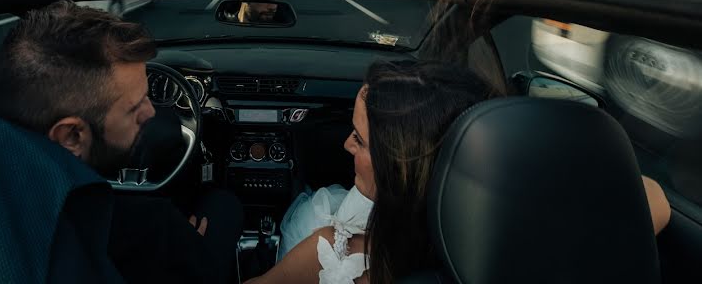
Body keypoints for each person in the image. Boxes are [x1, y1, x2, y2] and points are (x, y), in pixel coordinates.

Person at [247, 60, 672, 284]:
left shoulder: (334, 254)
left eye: (359, 139)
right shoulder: (529, 252)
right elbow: (653, 198)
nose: (346, 145)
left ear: (400, 170)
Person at [0, 0, 242, 284]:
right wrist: (184, 248)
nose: (151, 112)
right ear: (71, 136)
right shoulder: (151, 232)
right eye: (135, 106)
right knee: (223, 205)